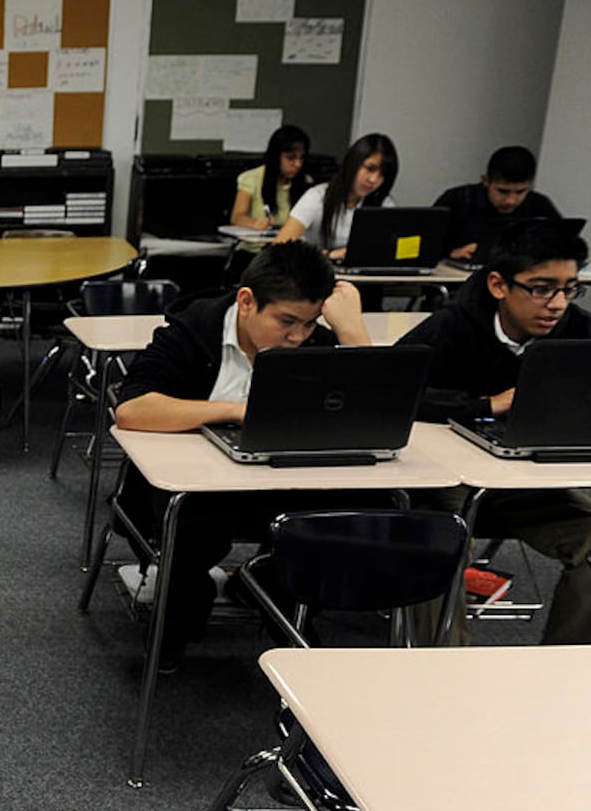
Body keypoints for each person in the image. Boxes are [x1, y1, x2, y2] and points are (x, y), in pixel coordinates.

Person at [114, 241, 377, 666]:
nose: (297, 337)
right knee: (195, 528)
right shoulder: (190, 332)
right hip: (194, 490)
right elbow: (132, 409)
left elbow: (379, 415)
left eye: (310, 324)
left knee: (360, 512)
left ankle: (272, 593)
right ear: (247, 301)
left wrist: (352, 332)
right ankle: (176, 633)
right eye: (287, 321)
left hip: (283, 484)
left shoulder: (313, 343)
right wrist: (237, 412)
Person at [397, 222, 591, 645]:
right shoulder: (454, 325)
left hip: (526, 483)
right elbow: (389, 391)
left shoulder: (577, 331)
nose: (557, 304)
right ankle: (442, 675)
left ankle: (565, 674)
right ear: (499, 284)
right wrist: (484, 405)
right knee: (439, 543)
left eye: (569, 288)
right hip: (446, 481)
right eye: (542, 288)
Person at [276, 132, 398, 257]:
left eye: (383, 174)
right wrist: (330, 255)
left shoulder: (383, 203)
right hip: (314, 270)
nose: (373, 180)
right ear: (353, 163)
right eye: (370, 169)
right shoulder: (318, 197)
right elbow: (280, 246)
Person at [436, 146, 562, 261]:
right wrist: (451, 252)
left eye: (520, 192)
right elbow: (423, 244)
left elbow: (564, 245)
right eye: (503, 191)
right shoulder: (458, 199)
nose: (510, 200)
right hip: (458, 280)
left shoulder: (539, 204)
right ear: (486, 181)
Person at [229, 125, 311, 231]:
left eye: (302, 158)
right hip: (255, 245)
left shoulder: (306, 181)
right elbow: (237, 217)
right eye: (291, 158)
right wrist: (254, 223)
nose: (298, 164)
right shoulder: (251, 178)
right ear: (276, 156)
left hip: (290, 244)